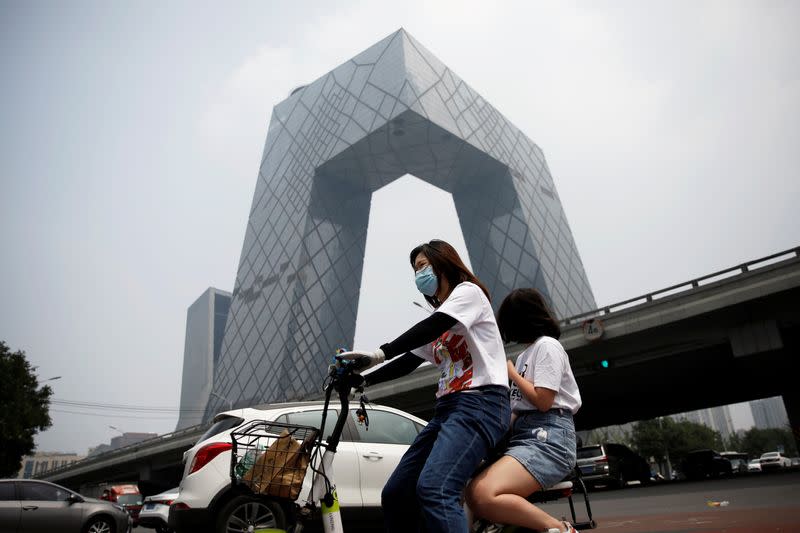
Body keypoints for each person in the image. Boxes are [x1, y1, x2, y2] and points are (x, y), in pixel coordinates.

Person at [338, 239, 510, 533]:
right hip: (448, 409)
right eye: (414, 270)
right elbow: (410, 360)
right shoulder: (441, 320)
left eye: (422, 266)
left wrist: (380, 352)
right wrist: (363, 379)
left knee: (436, 487)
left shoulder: (468, 294)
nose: (418, 275)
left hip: (480, 403)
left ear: (443, 262)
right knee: (396, 493)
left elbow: (430, 328)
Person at [465, 288, 582, 533]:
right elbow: (517, 410)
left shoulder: (547, 346)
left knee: (482, 494)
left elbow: (543, 401)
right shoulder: (524, 355)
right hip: (524, 436)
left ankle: (560, 529)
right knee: (468, 489)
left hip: (549, 438)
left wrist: (513, 375)